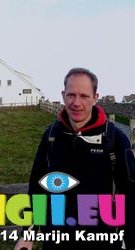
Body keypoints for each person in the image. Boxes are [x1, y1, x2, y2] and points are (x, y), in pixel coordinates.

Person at [15, 68, 133, 249]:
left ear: (95, 97)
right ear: (63, 95)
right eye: (71, 95)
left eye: (84, 96)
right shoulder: (51, 136)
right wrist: (28, 233)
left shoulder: (115, 139)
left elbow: (130, 193)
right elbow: (37, 187)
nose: (76, 103)